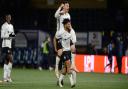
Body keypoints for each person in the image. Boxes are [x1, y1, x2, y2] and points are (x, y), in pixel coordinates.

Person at [54, 1, 77, 85]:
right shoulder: (60, 13)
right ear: (64, 7)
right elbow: (55, 15)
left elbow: (69, 25)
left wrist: (72, 33)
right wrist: (60, 7)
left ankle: (73, 65)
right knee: (60, 53)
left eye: (68, 6)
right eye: (67, 6)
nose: (68, 7)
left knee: (73, 48)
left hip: (66, 36)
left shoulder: (68, 15)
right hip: (60, 36)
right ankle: (56, 68)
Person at [56, 19, 75, 88]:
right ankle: (72, 82)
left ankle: (60, 81)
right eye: (68, 24)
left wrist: (72, 46)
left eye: (70, 24)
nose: (69, 25)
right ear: (65, 25)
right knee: (68, 65)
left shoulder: (70, 31)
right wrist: (59, 48)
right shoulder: (61, 32)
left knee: (64, 69)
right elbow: (56, 38)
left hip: (68, 51)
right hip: (64, 52)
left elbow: (71, 41)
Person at [1, 14, 16, 82]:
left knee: (7, 61)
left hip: (9, 45)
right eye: (7, 17)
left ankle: (5, 78)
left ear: (11, 18)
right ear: (6, 18)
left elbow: (13, 35)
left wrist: (11, 35)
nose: (9, 18)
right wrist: (9, 35)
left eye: (10, 17)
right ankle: (8, 77)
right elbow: (2, 36)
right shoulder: (4, 26)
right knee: (11, 59)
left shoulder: (11, 26)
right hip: (5, 45)